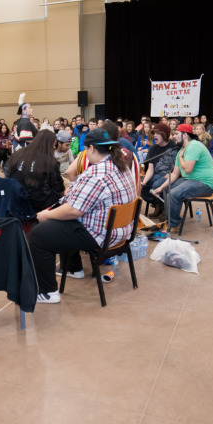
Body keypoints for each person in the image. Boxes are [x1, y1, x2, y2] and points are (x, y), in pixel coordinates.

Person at [27, 128, 137, 303]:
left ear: (91, 148)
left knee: (39, 234)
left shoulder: (96, 173)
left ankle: (47, 292)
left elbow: (73, 210)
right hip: (122, 232)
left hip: (101, 235)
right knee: (62, 225)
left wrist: (44, 216)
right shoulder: (121, 166)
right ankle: (72, 268)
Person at [152, 124, 213, 233]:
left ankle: (174, 225)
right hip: (192, 180)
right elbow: (174, 174)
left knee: (174, 193)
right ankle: (169, 221)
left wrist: (180, 158)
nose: (174, 136)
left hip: (205, 184)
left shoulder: (193, 146)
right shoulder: (182, 150)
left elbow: (187, 169)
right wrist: (160, 187)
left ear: (185, 135)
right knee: (166, 188)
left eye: (177, 134)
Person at [7, 130, 65, 213]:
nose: (54, 147)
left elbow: (9, 176)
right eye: (54, 143)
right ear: (49, 144)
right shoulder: (50, 162)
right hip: (38, 204)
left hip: (16, 200)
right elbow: (59, 188)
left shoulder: (17, 154)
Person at [139, 122, 178, 219]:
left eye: (157, 133)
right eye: (153, 133)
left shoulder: (174, 146)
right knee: (142, 188)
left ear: (164, 134)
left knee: (156, 185)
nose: (154, 135)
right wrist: (144, 182)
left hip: (172, 175)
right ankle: (159, 205)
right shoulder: (153, 148)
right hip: (157, 174)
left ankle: (165, 208)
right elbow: (150, 169)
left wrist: (173, 173)